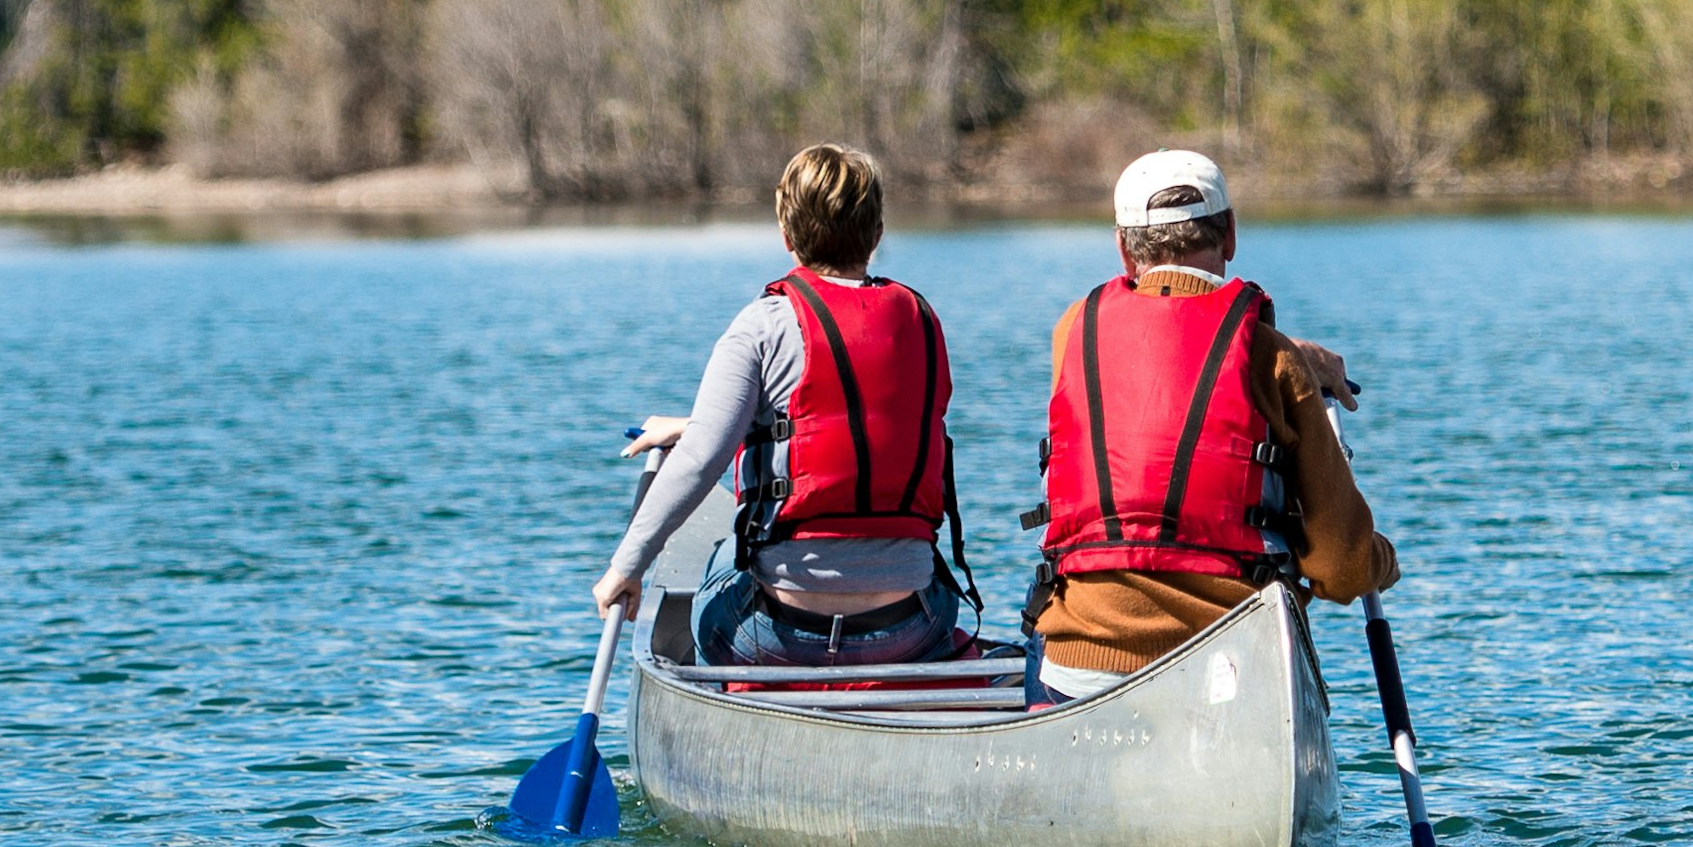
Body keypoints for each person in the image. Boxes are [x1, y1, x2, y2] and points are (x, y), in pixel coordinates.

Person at [1026, 148, 1394, 698]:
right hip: (1232, 670)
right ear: (1230, 237)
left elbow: (1166, 343)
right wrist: (1379, 562)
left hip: (1083, 667)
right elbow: (1341, 569)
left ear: (1124, 249)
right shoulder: (1273, 360)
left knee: (1040, 620)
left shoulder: (1073, 331)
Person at [591, 143, 974, 668]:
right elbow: (860, 419)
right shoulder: (922, 322)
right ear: (878, 233)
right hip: (910, 626)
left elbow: (703, 460)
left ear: (787, 236)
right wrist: (695, 424)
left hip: (779, 634)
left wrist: (625, 567)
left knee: (717, 563)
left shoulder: (764, 324)